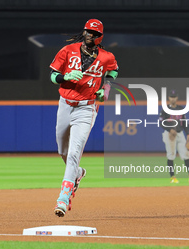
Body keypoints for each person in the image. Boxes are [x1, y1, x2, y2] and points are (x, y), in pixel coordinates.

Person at [49, 19, 118, 217]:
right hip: (65, 105)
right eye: (88, 31)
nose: (90, 35)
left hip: (87, 109)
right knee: (62, 150)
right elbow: (53, 75)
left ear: (100, 37)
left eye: (95, 33)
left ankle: (63, 197)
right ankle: (77, 174)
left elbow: (113, 71)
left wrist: (106, 88)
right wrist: (66, 77)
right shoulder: (68, 50)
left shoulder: (106, 56)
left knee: (74, 153)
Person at [159, 89, 189, 184]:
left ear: (177, 98)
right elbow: (161, 122)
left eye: (174, 97)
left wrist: (188, 135)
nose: (173, 99)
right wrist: (169, 129)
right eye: (171, 97)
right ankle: (172, 177)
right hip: (169, 134)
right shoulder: (165, 109)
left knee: (187, 154)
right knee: (171, 155)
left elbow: (184, 123)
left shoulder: (181, 109)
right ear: (168, 98)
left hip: (180, 134)